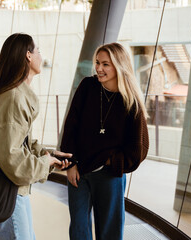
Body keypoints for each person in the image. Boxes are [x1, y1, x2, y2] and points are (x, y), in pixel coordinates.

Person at [0, 33, 72, 240]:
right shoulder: (14, 98)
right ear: (28, 55)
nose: (40, 55)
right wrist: (45, 162)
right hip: (8, 191)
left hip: (15, 190)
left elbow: (20, 140)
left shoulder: (15, 95)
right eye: (38, 50)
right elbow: (12, 157)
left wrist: (46, 154)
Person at [60, 42, 149, 240]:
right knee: (78, 228)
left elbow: (139, 149)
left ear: (119, 66)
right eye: (97, 63)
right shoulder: (87, 87)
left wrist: (111, 161)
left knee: (110, 231)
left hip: (110, 175)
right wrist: (70, 164)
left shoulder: (131, 101)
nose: (99, 69)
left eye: (106, 64)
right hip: (79, 171)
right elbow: (71, 127)